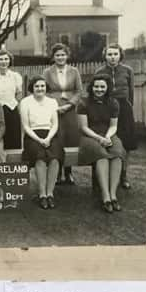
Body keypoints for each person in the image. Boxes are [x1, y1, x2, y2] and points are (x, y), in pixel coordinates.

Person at [77, 73, 126, 213]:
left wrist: (108, 137)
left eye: (102, 87)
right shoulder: (84, 102)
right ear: (91, 87)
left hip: (108, 134)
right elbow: (84, 127)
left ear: (107, 88)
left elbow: (113, 126)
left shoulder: (113, 103)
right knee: (101, 155)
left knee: (117, 153)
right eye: (96, 86)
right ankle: (105, 197)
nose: (99, 89)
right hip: (89, 136)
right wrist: (99, 138)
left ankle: (113, 195)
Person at [94, 43, 137, 189]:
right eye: (109, 54)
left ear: (120, 55)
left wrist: (128, 106)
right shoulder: (100, 71)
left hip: (124, 108)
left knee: (126, 143)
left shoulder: (127, 71)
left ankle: (123, 175)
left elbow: (131, 92)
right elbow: (97, 92)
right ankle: (107, 175)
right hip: (108, 108)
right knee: (109, 139)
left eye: (115, 54)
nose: (112, 57)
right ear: (105, 56)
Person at [19, 75, 63, 210]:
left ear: (46, 87)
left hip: (50, 134)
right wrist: (39, 139)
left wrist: (48, 138)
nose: (40, 88)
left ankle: (50, 193)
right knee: (40, 158)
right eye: (37, 86)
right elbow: (26, 126)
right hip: (33, 135)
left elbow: (55, 124)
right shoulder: (25, 102)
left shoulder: (52, 102)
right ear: (32, 88)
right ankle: (42, 194)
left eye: (42, 86)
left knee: (55, 158)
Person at [43, 43, 83, 185]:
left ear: (67, 56)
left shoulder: (74, 71)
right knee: (57, 138)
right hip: (53, 109)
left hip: (70, 109)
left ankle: (68, 171)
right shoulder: (47, 72)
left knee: (70, 138)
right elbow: (44, 91)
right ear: (53, 57)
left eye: (63, 55)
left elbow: (79, 91)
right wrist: (54, 106)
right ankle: (58, 172)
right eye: (57, 55)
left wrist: (69, 104)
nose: (60, 57)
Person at [0, 49, 23, 150]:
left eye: (6, 59)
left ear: (10, 61)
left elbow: (19, 94)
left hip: (12, 110)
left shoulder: (16, 76)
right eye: (0, 59)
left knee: (14, 138)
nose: (3, 61)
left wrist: (18, 109)